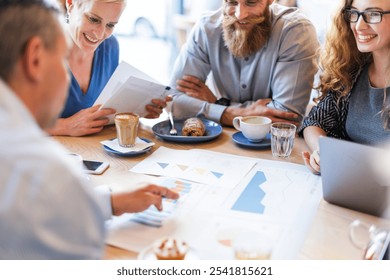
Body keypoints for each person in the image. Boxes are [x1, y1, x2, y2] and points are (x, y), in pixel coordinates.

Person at [0, 0, 178, 259]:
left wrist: (110, 202)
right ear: (35, 57)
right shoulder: (45, 173)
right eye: (62, 63)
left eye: (110, 25)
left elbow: (31, 206)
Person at [169, 0, 319, 126]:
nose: (240, 14)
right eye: (232, 2)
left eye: (251, 2)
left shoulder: (295, 31)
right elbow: (173, 101)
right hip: (219, 142)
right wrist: (234, 113)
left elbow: (285, 118)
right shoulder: (206, 28)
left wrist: (219, 104)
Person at [47, 0, 168, 137]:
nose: (100, 34)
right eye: (93, 19)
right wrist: (64, 126)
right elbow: (17, 126)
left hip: (93, 152)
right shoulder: (38, 49)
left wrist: (137, 109)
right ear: (70, 4)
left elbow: (104, 109)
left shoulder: (110, 47)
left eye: (110, 25)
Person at [300, 0, 390, 174]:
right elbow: (315, 121)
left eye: (373, 14)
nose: (359, 25)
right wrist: (322, 153)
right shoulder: (352, 70)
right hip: (351, 185)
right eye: (354, 13)